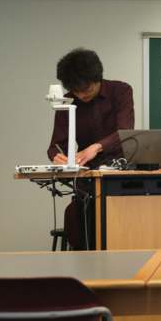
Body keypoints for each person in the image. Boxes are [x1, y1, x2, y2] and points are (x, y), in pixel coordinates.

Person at [47, 48, 134, 249]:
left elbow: (125, 131)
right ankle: (83, 264)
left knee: (116, 224)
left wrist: (96, 147)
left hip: (120, 175)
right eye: (76, 91)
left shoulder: (121, 91)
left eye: (86, 89)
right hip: (87, 177)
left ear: (98, 79)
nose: (81, 95)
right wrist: (57, 156)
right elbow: (55, 145)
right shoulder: (68, 101)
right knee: (76, 216)